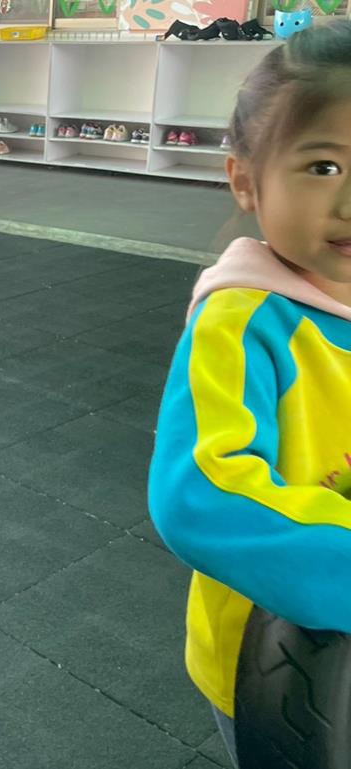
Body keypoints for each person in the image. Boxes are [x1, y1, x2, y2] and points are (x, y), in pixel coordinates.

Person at [148, 21, 351, 768]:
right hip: (281, 672)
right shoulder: (245, 324)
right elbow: (200, 494)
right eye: (324, 166)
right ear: (245, 181)